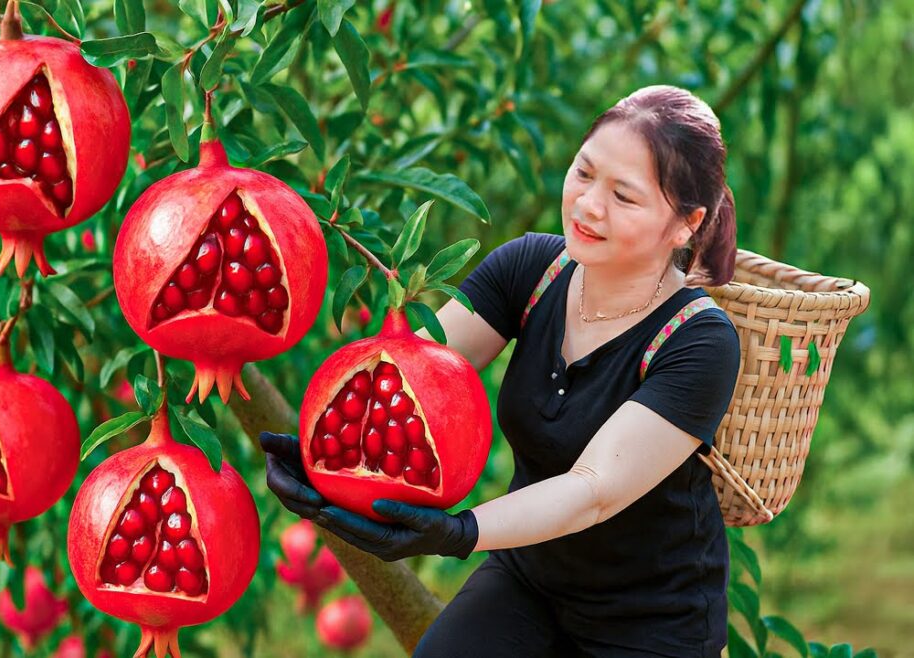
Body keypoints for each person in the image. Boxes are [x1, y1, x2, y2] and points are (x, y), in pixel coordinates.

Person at [260, 85, 742, 657]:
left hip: (655, 620)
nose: (589, 205)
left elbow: (594, 490)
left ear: (686, 224)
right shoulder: (530, 269)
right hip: (530, 579)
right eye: (583, 173)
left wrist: (460, 532)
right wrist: (332, 456)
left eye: (624, 197)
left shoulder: (700, 341)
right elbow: (409, 381)